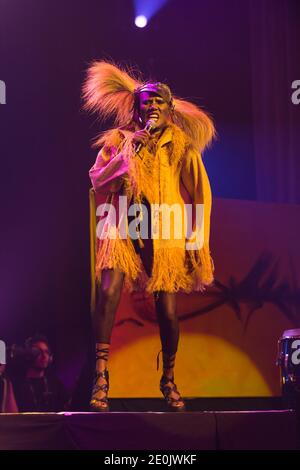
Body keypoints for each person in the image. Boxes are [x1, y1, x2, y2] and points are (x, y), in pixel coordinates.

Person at [82, 61, 215, 412]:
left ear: (168, 108)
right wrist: (130, 150)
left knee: (167, 311)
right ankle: (101, 376)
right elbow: (98, 180)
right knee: (108, 291)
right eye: (146, 101)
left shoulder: (180, 145)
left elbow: (200, 192)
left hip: (163, 227)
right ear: (136, 107)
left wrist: (197, 235)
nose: (152, 106)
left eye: (158, 101)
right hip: (123, 225)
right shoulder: (118, 141)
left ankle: (168, 377)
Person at [12, 335, 69, 412]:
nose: (44, 356)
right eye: (38, 352)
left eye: (46, 352)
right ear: (28, 355)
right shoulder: (17, 384)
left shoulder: (55, 384)